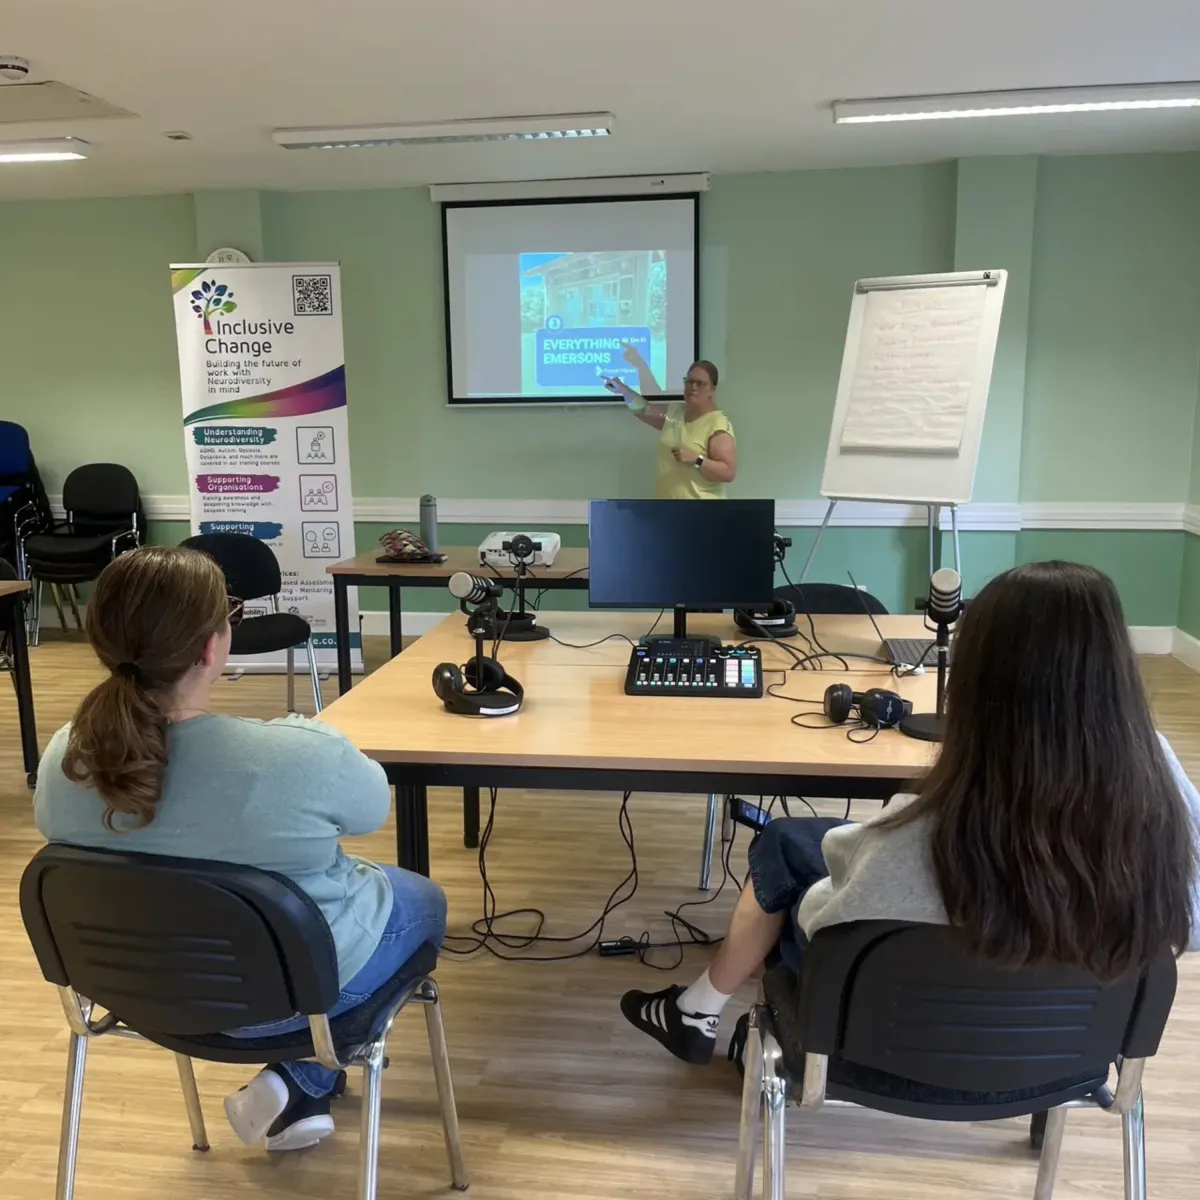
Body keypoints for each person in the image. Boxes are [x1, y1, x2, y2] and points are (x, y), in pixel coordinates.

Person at [621, 560, 1200, 1065]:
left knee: (783, 851)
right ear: (1116, 668)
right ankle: (696, 1008)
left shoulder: (925, 832)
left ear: (981, 672)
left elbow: (827, 922)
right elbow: (1188, 923)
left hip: (888, 1033)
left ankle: (699, 1009)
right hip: (1069, 1047)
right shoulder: (1161, 781)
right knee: (793, 840)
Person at [33, 545, 447, 1151]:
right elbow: (373, 808)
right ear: (211, 645)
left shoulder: (62, 757)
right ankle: (303, 1070)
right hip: (281, 1002)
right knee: (421, 899)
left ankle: (303, 1087)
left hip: (136, 995)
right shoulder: (298, 754)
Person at [605, 348, 736, 499]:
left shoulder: (717, 424)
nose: (693, 387)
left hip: (702, 513)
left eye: (700, 383)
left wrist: (698, 460)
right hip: (668, 510)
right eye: (689, 381)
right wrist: (624, 391)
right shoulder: (675, 413)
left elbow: (728, 472)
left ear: (712, 389)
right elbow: (644, 409)